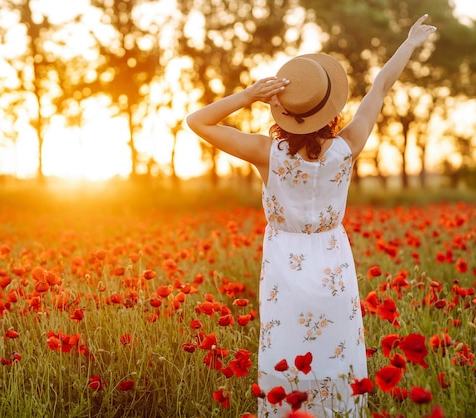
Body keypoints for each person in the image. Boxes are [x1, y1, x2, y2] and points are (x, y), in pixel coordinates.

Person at [186, 14, 437, 417]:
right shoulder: (348, 146)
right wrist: (408, 43)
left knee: (287, 351)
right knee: (335, 351)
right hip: (332, 257)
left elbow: (197, 121)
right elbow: (380, 87)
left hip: (285, 262)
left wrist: (249, 95)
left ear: (281, 111)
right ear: (331, 109)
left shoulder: (265, 154)